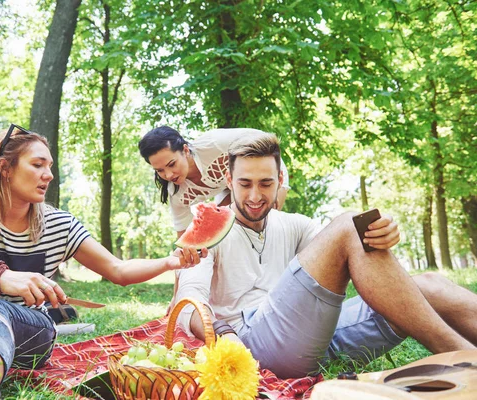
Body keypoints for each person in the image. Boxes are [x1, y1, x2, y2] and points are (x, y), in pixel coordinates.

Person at [0, 125, 206, 400]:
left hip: (32, 330)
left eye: (50, 165)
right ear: (5, 168)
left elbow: (118, 271)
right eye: (38, 164)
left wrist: (170, 262)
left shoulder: (60, 225)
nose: (49, 174)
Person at [174, 132, 477, 378]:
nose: (255, 196)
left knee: (429, 285)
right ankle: (468, 362)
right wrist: (225, 336)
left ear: (280, 180)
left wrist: (385, 235)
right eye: (244, 183)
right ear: (229, 181)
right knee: (348, 225)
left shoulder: (296, 224)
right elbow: (187, 304)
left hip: (315, 339)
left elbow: (347, 254)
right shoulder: (207, 231)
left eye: (265, 183)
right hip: (250, 344)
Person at [138, 126, 290, 238]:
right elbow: (184, 237)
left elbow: (266, 144)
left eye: (172, 164)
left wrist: (277, 187)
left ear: (185, 150)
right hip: (228, 189)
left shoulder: (216, 143)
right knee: (226, 234)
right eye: (159, 170)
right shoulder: (177, 195)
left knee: (264, 219)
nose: (169, 174)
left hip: (258, 176)